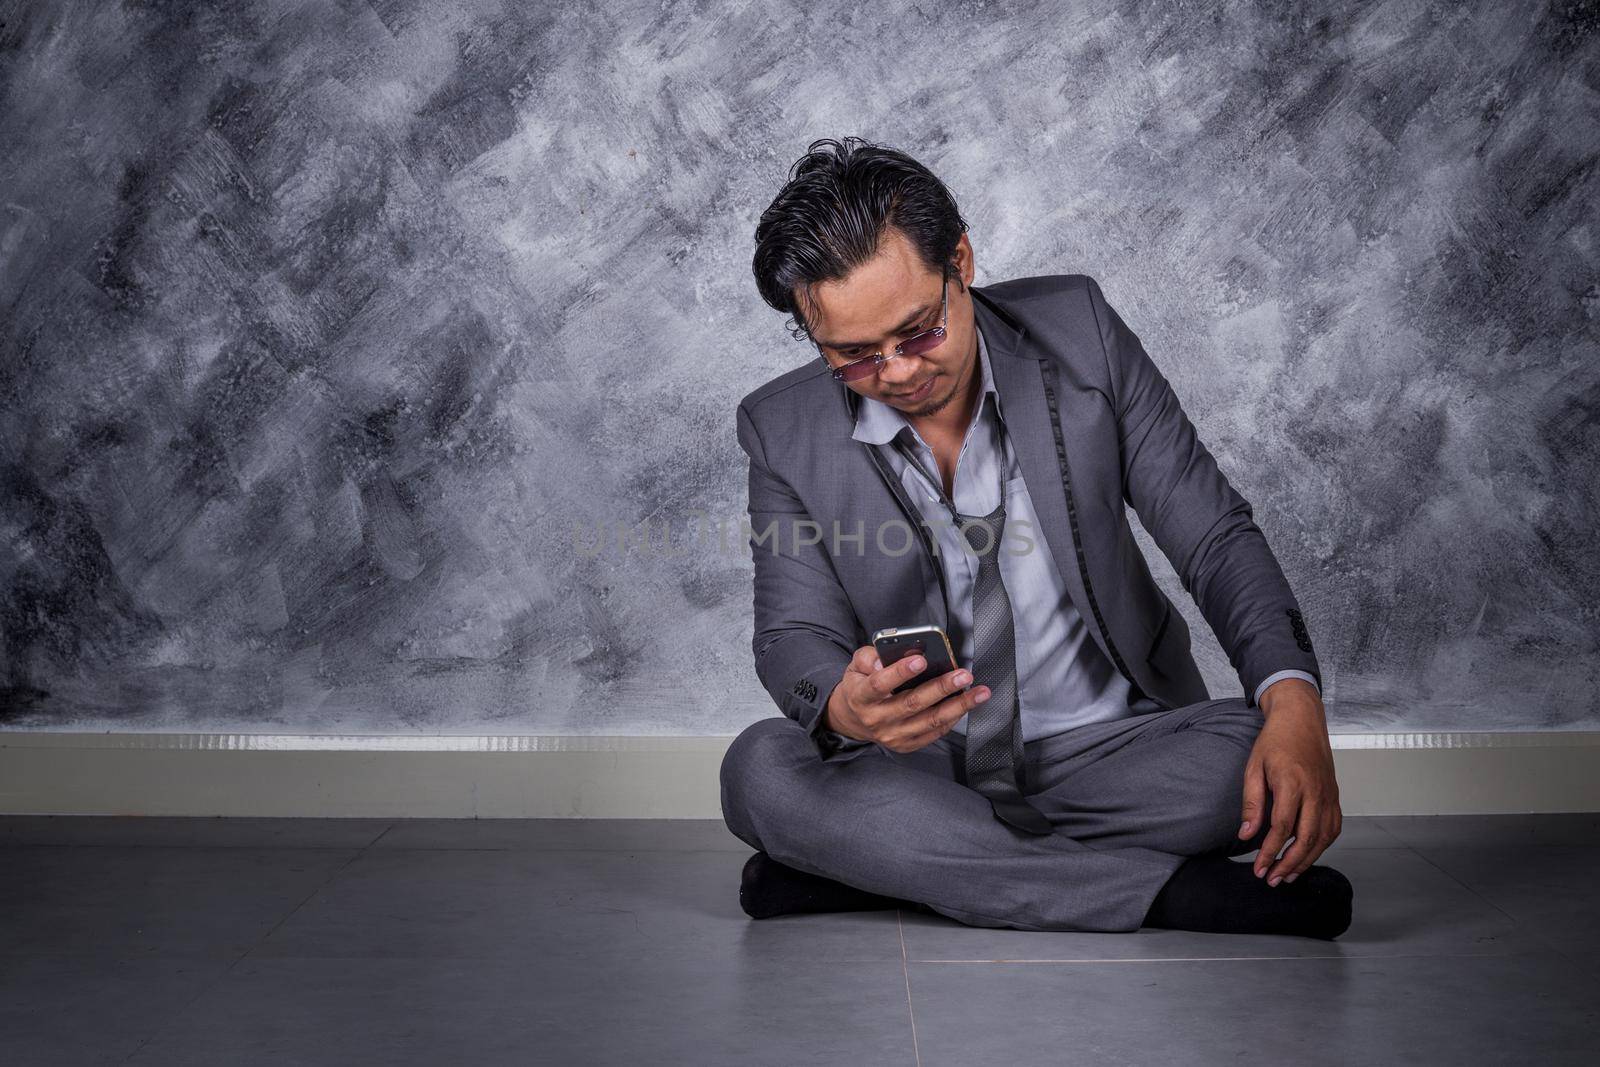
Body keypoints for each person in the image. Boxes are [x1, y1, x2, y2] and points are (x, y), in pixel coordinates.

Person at [720, 136, 1352, 939]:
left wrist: (1295, 699)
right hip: (921, 767)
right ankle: (1170, 895)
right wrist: (847, 708)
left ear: (962, 259)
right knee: (760, 769)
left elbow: (1215, 537)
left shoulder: (1080, 332)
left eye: (918, 331)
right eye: (853, 355)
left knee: (1251, 755)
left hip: (1115, 752)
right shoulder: (780, 427)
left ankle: (894, 866)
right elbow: (792, 634)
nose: (899, 371)